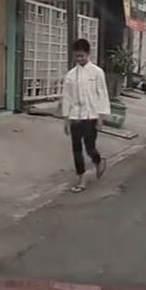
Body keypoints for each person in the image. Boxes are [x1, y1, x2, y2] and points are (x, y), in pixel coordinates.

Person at [62, 38, 110, 192]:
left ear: (88, 54)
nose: (79, 59)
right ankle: (81, 178)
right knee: (76, 148)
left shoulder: (97, 72)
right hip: (76, 115)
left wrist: (101, 117)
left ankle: (98, 160)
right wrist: (66, 119)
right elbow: (67, 97)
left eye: (81, 56)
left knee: (89, 147)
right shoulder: (70, 75)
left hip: (92, 115)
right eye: (76, 56)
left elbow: (102, 94)